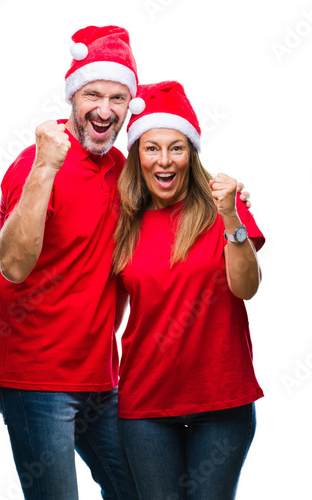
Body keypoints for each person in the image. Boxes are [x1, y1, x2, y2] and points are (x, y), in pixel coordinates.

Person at [0, 25, 141, 500]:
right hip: (36, 379)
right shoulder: (34, 163)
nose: (105, 109)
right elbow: (12, 263)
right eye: (93, 93)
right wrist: (46, 167)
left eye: (118, 97)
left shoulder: (121, 171)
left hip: (101, 378)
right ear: (73, 96)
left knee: (139, 490)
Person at [113, 81, 265, 500]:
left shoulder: (225, 210)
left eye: (176, 147)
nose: (165, 160)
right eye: (151, 148)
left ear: (191, 153)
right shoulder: (122, 223)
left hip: (222, 401)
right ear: (137, 155)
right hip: (145, 407)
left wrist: (231, 217)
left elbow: (246, 287)